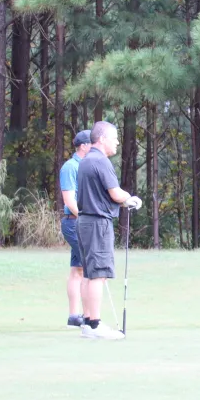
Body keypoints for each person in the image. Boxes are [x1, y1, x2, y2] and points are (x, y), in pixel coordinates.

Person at [75, 120, 141, 340]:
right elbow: (115, 193)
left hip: (85, 221)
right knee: (98, 275)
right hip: (97, 223)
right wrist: (130, 200)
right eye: (114, 138)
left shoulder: (85, 160)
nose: (117, 142)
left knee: (89, 273)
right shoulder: (100, 161)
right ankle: (95, 325)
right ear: (102, 139)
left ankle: (87, 322)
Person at [59, 130, 94, 328]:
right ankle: (89, 316)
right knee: (87, 268)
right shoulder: (70, 167)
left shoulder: (85, 166)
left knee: (77, 269)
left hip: (78, 222)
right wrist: (86, 219)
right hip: (74, 222)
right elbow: (69, 200)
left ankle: (74, 316)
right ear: (83, 146)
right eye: (92, 144)